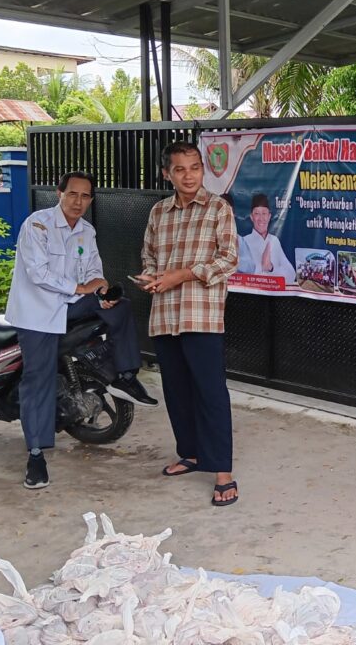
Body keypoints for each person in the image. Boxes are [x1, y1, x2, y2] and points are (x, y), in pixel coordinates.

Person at [5, 171, 157, 490]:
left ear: (91, 200)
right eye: (72, 194)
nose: (78, 201)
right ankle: (36, 456)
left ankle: (126, 376)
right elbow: (38, 273)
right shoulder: (37, 225)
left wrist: (100, 289)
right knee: (39, 380)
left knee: (120, 306)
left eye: (85, 196)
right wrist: (81, 287)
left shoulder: (86, 231)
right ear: (59, 193)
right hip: (37, 313)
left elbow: (93, 270)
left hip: (71, 304)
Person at [135, 142, 240, 506]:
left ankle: (222, 471)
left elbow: (229, 260)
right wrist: (151, 277)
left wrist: (182, 275)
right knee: (177, 391)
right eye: (179, 169)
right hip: (165, 314)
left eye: (194, 167)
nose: (189, 175)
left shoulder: (218, 208)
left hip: (201, 316)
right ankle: (191, 454)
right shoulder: (158, 212)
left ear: (202, 170)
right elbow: (149, 255)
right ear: (167, 174)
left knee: (211, 393)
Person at [236, 193, 295, 283]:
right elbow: (240, 275)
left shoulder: (274, 241)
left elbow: (291, 274)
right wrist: (262, 267)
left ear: (269, 216)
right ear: (251, 217)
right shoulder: (244, 242)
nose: (261, 218)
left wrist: (270, 267)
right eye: (257, 213)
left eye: (264, 213)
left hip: (275, 292)